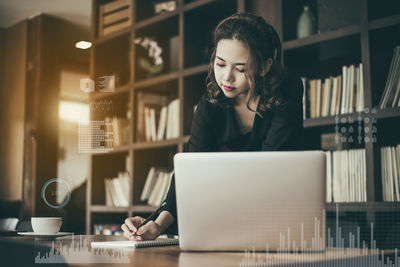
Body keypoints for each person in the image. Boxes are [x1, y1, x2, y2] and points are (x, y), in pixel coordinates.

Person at [121, 12, 304, 241]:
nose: (226, 77)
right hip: (225, 219)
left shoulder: (287, 91)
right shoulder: (210, 104)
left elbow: (271, 164)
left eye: (240, 68)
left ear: (265, 67)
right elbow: (190, 170)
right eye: (220, 64)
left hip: (277, 213)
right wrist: (157, 225)